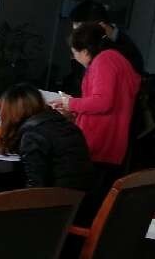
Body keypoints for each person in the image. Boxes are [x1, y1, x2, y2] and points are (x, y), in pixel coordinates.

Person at [52, 23, 140, 198]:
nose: (74, 58)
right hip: (113, 141)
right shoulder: (118, 59)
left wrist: (71, 104)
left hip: (98, 141)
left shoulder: (103, 61)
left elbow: (103, 102)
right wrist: (73, 108)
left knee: (82, 198)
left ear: (85, 51)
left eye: (74, 53)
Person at [0, 83, 95, 191]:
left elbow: (36, 186)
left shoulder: (33, 135)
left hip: (58, 197)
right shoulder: (64, 124)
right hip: (83, 194)